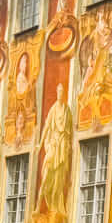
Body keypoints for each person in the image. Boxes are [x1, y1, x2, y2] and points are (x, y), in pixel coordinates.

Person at [38, 83, 73, 216]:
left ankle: (56, 205)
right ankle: (42, 205)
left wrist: (69, 147)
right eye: (58, 91)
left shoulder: (67, 110)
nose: (60, 94)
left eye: (62, 92)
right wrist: (40, 145)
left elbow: (70, 133)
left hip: (63, 144)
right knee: (47, 176)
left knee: (60, 177)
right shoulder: (53, 109)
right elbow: (47, 127)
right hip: (54, 144)